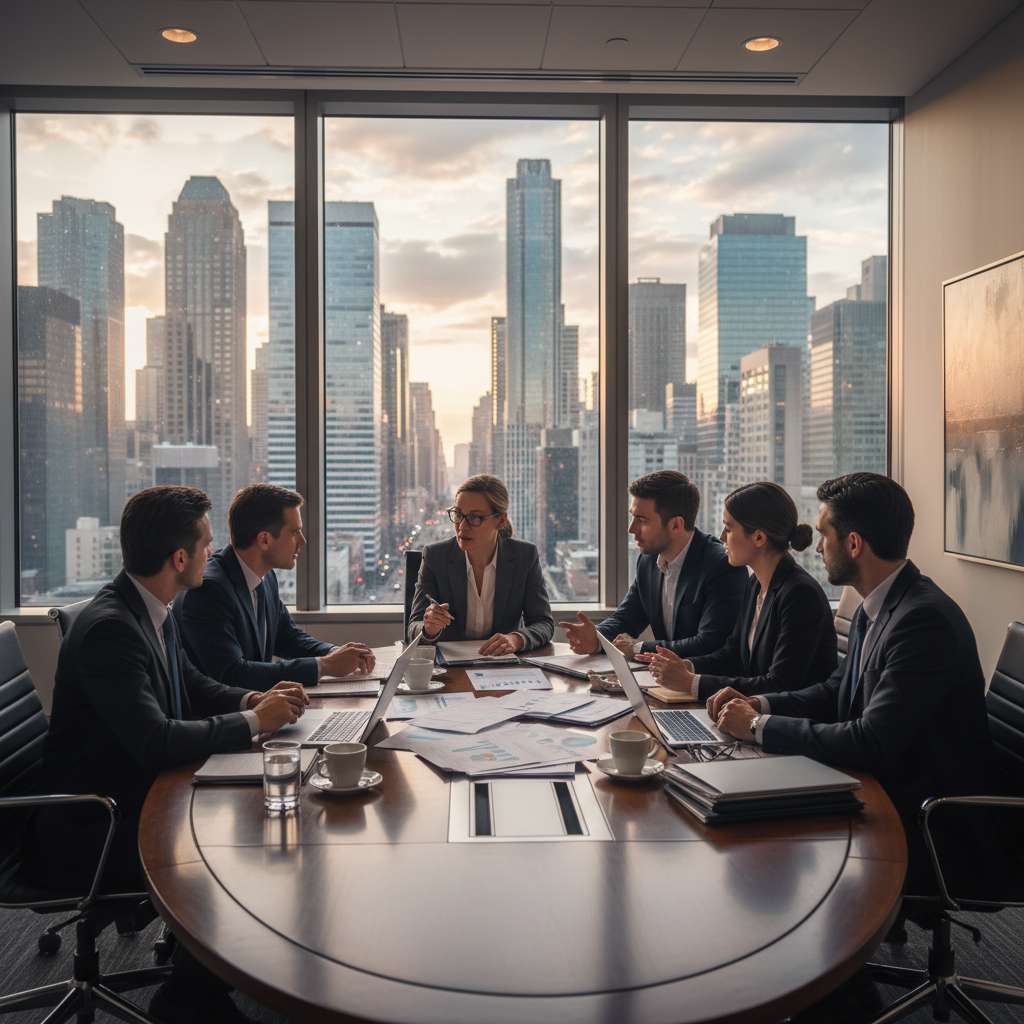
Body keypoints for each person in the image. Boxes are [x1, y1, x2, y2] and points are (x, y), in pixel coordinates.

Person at [707, 472, 1022, 1023]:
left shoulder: (922, 619)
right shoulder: (884, 604)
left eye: (825, 534)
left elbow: (871, 740)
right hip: (903, 791)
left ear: (854, 544)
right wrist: (765, 707)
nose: (817, 543)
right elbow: (838, 692)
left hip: (943, 825)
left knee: (795, 861)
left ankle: (840, 1002)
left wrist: (757, 731)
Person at [23, 486, 309, 1024]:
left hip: (137, 795)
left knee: (262, 827)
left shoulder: (153, 605)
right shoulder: (112, 628)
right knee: (238, 854)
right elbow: (154, 740)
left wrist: (254, 700)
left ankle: (197, 963)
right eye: (205, 544)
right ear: (180, 558)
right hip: (91, 823)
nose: (213, 553)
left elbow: (194, 683)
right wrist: (252, 722)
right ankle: (187, 1000)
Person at [647, 481, 837, 702]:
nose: (722, 537)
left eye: (728, 528)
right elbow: (732, 655)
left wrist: (691, 682)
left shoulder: (800, 595)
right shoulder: (756, 582)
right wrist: (686, 666)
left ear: (758, 537)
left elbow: (780, 684)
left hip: (788, 723)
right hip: (748, 713)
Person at [175, 484, 375, 689]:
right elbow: (233, 674)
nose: (303, 541)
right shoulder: (209, 590)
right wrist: (324, 666)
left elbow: (287, 636)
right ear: (264, 540)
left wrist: (334, 653)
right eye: (295, 532)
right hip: (221, 715)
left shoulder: (266, 575)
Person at [559, 470, 746, 658]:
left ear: (675, 525)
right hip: (663, 679)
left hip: (707, 682)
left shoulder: (722, 565)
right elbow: (627, 618)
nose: (631, 529)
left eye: (642, 520)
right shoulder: (648, 560)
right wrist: (596, 638)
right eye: (633, 517)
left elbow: (710, 643)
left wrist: (638, 648)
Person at [408, 474, 554, 654]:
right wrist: (428, 629)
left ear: (500, 521)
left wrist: (516, 639)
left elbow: (543, 623)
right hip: (450, 668)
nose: (462, 526)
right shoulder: (436, 556)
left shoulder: (524, 557)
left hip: (501, 667)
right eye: (458, 515)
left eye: (475, 518)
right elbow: (413, 627)